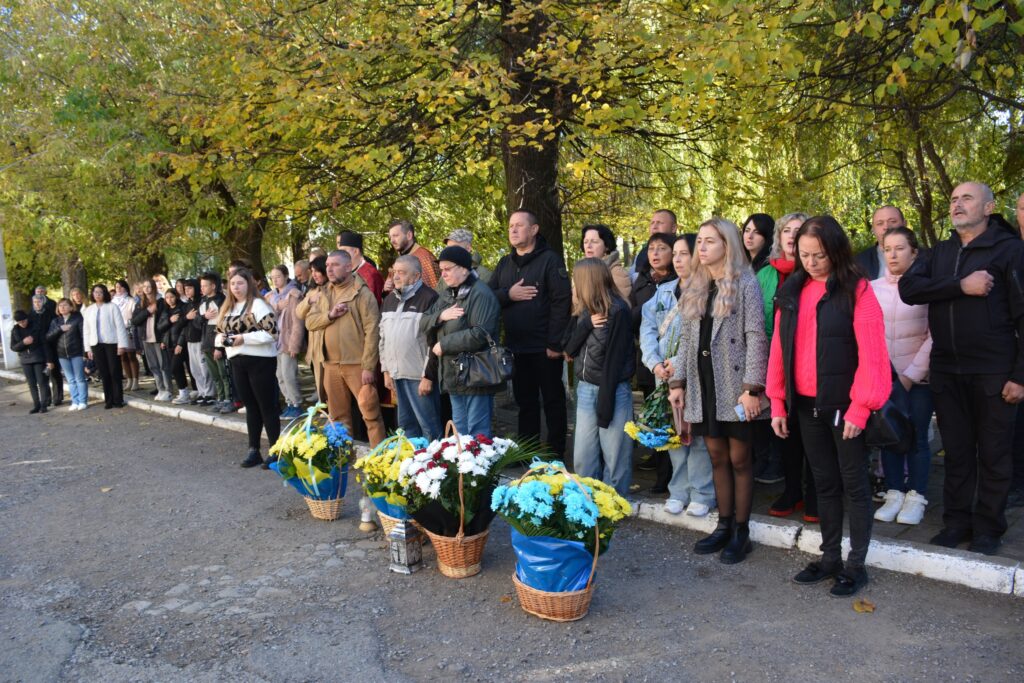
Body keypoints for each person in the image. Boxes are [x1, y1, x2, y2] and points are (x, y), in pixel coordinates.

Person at [767, 216, 890, 597]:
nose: (811, 262)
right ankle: (830, 558)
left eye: (818, 255)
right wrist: (777, 401)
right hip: (805, 405)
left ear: (835, 251)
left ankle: (856, 565)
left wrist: (860, 407)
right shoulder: (792, 292)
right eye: (804, 255)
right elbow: (778, 349)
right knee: (824, 484)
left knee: (854, 485)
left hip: (844, 406)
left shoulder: (858, 290)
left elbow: (873, 355)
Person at [899, 182, 1024, 556]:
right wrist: (960, 285)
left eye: (966, 198)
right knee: (955, 452)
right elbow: (909, 288)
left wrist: (1020, 375)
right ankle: (956, 523)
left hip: (994, 371)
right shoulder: (941, 251)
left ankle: (988, 529)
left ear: (989, 207)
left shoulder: (1009, 250)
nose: (957, 204)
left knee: (994, 453)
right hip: (947, 371)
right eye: (953, 199)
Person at [668, 218, 769, 564]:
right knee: (716, 457)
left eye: (710, 241)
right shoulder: (695, 284)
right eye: (701, 242)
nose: (702, 247)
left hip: (735, 384)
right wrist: (677, 382)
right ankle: (723, 524)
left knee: (740, 459)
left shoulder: (745, 283)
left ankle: (742, 531)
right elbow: (686, 341)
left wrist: (752, 388)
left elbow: (757, 336)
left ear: (727, 245)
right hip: (703, 383)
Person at [641, 234, 715, 516]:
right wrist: (654, 362)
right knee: (674, 435)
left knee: (695, 435)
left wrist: (674, 362)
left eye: (686, 253)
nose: (680, 259)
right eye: (678, 254)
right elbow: (647, 328)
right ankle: (678, 490)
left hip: (694, 376)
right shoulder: (663, 292)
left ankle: (703, 493)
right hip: (664, 377)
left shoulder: (708, 291)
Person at [490, 209, 572, 456]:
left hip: (544, 347)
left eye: (519, 225)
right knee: (525, 403)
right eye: (510, 226)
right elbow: (486, 297)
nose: (513, 230)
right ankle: (527, 451)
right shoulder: (505, 263)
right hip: (517, 346)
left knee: (552, 401)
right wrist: (508, 295)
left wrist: (555, 343)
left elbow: (561, 302)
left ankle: (554, 454)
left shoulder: (550, 260)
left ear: (534, 230)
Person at [870, 226, 934, 525]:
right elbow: (866, 334)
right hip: (883, 378)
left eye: (900, 248)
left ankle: (916, 495)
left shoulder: (928, 288)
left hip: (918, 379)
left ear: (914, 252)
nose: (893, 254)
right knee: (889, 436)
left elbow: (934, 335)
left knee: (918, 437)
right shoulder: (871, 289)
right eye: (888, 249)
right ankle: (894, 492)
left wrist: (910, 375)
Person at [762, 212, 819, 521]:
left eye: (800, 231)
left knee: (812, 433)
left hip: (808, 363)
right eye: (787, 230)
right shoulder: (765, 274)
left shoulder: (816, 272)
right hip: (775, 361)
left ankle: (814, 493)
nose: (793, 236)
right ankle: (792, 490)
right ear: (779, 236)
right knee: (784, 431)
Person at [564, 258, 636, 496]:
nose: (574, 285)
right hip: (585, 388)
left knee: (615, 453)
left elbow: (616, 362)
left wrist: (606, 402)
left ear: (588, 281)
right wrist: (586, 324)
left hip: (612, 389)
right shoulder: (585, 309)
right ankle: (586, 502)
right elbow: (569, 351)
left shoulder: (618, 310)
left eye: (577, 280)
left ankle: (614, 504)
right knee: (584, 455)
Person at [302, 250, 386, 446]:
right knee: (337, 418)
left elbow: (373, 331)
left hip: (356, 364)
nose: (329, 269)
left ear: (349, 267)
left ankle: (379, 464)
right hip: (330, 365)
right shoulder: (324, 293)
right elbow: (310, 322)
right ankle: (341, 462)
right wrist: (329, 315)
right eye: (328, 265)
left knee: (370, 414)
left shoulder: (362, 293)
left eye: (335, 265)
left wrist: (368, 366)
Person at [422, 246, 503, 436]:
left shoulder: (480, 293)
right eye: (441, 270)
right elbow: (423, 321)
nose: (443, 274)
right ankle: (462, 466)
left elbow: (480, 333)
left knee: (477, 434)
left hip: (475, 374)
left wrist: (444, 344)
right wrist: (441, 315)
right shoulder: (449, 293)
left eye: (447, 269)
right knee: (459, 433)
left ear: (464, 269)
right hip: (454, 374)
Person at [215, 268, 280, 468]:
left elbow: (272, 334)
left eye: (240, 283)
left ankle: (276, 451)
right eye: (233, 284)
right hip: (237, 362)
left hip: (260, 362)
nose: (236, 287)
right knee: (250, 406)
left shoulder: (259, 305)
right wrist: (224, 341)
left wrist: (244, 338)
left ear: (249, 284)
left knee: (266, 407)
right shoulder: (227, 307)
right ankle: (254, 450)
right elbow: (218, 334)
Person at [379, 255, 442, 440]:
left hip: (419, 377)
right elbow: (383, 338)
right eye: (394, 272)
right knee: (406, 428)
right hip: (397, 375)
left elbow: (434, 342)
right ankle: (411, 466)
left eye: (402, 273)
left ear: (415, 276)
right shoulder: (389, 299)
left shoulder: (430, 298)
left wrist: (428, 376)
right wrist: (386, 371)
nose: (395, 277)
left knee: (429, 428)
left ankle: (434, 466)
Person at [83, 283, 130, 410]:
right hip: (96, 344)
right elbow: (86, 330)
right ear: (92, 294)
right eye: (95, 292)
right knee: (104, 372)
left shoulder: (112, 307)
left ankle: (118, 399)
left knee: (114, 371)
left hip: (112, 343)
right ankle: (108, 400)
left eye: (100, 292)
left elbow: (120, 327)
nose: (97, 294)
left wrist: (122, 345)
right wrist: (87, 348)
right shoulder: (89, 310)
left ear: (104, 294)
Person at [267, 265, 305, 419]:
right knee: (279, 375)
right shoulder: (271, 296)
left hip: (288, 340)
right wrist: (276, 306)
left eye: (278, 277)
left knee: (289, 374)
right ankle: (289, 403)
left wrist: (295, 344)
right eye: (272, 277)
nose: (275, 280)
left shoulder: (294, 294)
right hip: (275, 341)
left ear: (286, 276)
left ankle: (297, 404)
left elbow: (298, 322)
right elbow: (267, 317)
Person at [197, 273, 232, 413]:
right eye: (201, 286)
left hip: (218, 343)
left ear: (213, 286)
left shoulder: (221, 300)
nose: (203, 288)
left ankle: (228, 400)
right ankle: (220, 398)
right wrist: (203, 317)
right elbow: (196, 323)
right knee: (215, 375)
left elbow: (224, 324)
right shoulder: (202, 301)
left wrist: (219, 347)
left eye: (205, 285)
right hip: (206, 342)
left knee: (224, 373)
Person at [132, 279, 173, 401]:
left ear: (154, 288)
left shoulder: (161, 302)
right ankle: (160, 389)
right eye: (144, 286)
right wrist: (147, 311)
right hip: (146, 339)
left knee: (163, 365)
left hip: (158, 339)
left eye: (149, 286)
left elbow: (165, 321)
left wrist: (164, 340)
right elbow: (135, 321)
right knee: (153, 366)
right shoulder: (140, 304)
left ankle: (168, 390)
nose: (146, 289)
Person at [46, 298, 88, 410]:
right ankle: (75, 401)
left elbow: (83, 336)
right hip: (62, 354)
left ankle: (83, 401)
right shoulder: (55, 321)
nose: (62, 308)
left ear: (71, 307)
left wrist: (84, 353)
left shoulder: (78, 319)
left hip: (76, 352)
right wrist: (60, 329)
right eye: (60, 306)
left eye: (65, 305)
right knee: (70, 379)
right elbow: (48, 337)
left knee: (79, 378)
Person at [384, 219, 441, 292]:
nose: (392, 241)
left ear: (409, 235)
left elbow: (434, 290)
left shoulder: (424, 257)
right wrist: (386, 289)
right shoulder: (399, 259)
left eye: (395, 236)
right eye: (390, 237)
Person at [11, 309, 50, 414]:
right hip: (25, 360)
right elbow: (13, 347)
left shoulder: (36, 327)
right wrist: (23, 342)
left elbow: (44, 344)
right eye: (19, 322)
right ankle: (36, 405)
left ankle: (43, 405)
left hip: (38, 358)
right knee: (31, 384)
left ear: (26, 318)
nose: (22, 324)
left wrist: (48, 360)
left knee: (42, 382)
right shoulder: (15, 330)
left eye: (23, 321)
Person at [181, 279, 213, 405]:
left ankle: (209, 393)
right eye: (185, 289)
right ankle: (202, 392)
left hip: (200, 339)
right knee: (195, 370)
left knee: (204, 368)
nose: (187, 291)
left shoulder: (202, 302)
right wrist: (186, 317)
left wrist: (197, 318)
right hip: (190, 340)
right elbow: (181, 323)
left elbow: (202, 322)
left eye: (189, 288)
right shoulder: (186, 305)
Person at [579, 224, 631, 301]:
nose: (588, 246)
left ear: (607, 246)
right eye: (585, 242)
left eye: (594, 242)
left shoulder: (617, 273)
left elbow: (618, 308)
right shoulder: (580, 271)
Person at [158, 288, 192, 404]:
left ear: (176, 296)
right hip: (169, 343)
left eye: (171, 297)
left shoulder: (183, 308)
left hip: (181, 343)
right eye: (167, 298)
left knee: (177, 367)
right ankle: (183, 392)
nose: (169, 300)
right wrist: (169, 321)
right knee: (175, 369)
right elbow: (160, 327)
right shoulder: (165, 310)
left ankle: (187, 392)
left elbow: (184, 327)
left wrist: (180, 343)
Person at [855, 205, 905, 280]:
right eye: (880, 223)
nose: (886, 227)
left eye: (892, 221)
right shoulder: (859, 262)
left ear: (904, 224)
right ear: (873, 229)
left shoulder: (926, 259)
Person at [30, 293, 63, 406]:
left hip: (51, 345)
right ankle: (47, 398)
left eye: (39, 302)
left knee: (54, 372)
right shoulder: (31, 315)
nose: (37, 304)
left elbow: (55, 329)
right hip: (38, 348)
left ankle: (57, 397)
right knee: (43, 374)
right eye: (35, 302)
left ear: (43, 302)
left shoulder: (50, 314)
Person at [337, 230, 385, 304]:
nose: (341, 254)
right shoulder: (344, 272)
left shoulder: (370, 274)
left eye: (344, 250)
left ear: (356, 251)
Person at [630, 209, 678, 280]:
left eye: (660, 223)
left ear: (673, 228)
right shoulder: (642, 254)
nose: (654, 227)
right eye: (652, 223)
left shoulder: (684, 250)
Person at [112, 280, 140, 391]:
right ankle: (128, 379)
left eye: (121, 287)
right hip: (117, 331)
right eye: (117, 287)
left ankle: (135, 380)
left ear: (125, 288)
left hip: (129, 330)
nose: (118, 289)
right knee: (122, 356)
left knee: (131, 355)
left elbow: (134, 315)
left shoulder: (131, 300)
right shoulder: (113, 301)